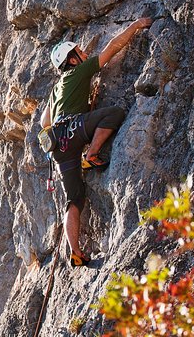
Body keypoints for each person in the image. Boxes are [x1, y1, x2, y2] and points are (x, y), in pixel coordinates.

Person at [40, 17, 153, 267]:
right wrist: (136, 26)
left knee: (75, 199)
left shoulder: (56, 88)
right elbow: (111, 50)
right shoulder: (79, 71)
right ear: (72, 60)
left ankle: (76, 252)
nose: (84, 52)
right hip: (74, 130)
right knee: (114, 113)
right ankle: (91, 155)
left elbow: (43, 121)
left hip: (58, 146)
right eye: (79, 51)